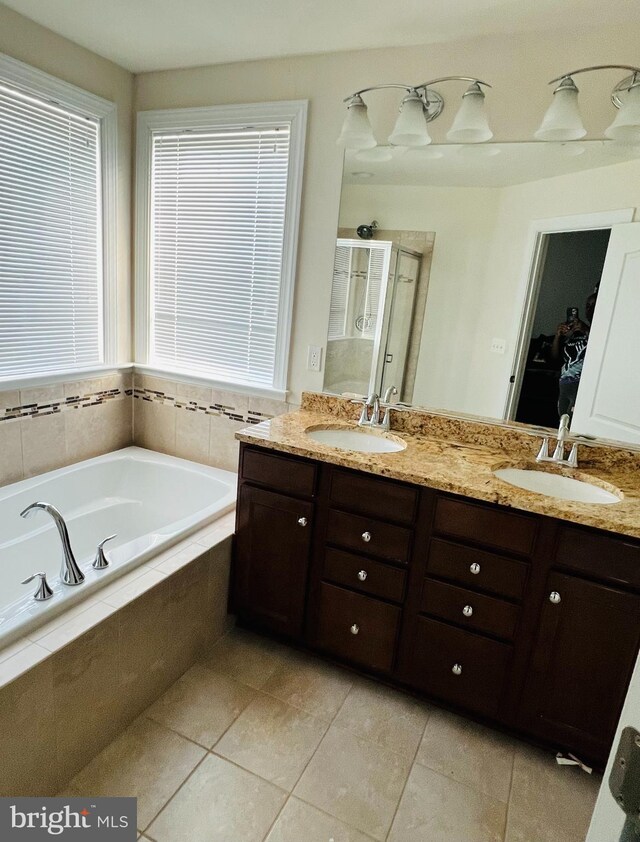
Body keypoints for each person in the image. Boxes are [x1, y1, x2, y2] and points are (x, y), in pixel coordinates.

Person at [551, 289, 598, 419]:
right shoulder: (575, 333)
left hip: (582, 385)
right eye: (588, 306)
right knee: (562, 422)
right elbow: (555, 359)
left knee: (574, 423)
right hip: (564, 384)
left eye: (594, 305)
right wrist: (558, 336)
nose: (590, 309)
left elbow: (600, 349)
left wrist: (586, 330)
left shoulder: (601, 333)